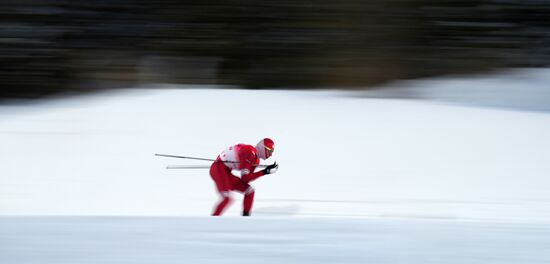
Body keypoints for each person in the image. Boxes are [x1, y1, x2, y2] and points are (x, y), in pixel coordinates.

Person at [209, 138, 278, 216]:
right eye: (269, 151)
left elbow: (246, 179)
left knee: (250, 191)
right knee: (227, 197)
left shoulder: (256, 160)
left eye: (272, 152)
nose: (270, 154)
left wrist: (265, 172)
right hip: (219, 168)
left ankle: (245, 219)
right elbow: (245, 177)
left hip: (226, 172)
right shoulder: (250, 152)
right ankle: (212, 220)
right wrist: (265, 172)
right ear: (262, 148)